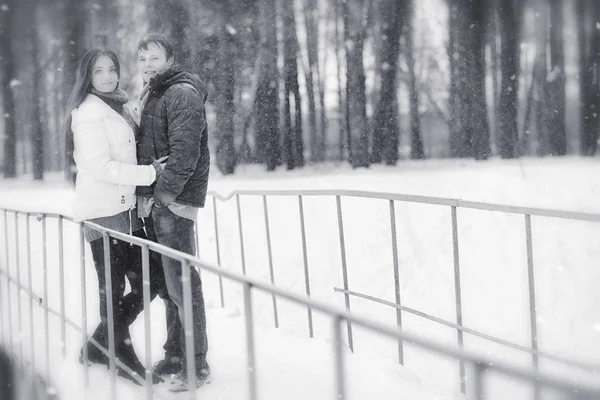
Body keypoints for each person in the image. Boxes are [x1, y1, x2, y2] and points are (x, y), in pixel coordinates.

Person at [65, 47, 166, 385]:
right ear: (87, 77)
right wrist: (149, 174)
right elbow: (101, 166)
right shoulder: (88, 114)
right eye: (99, 71)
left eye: (112, 69)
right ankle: (120, 354)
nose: (108, 76)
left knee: (151, 279)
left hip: (123, 208)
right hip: (101, 210)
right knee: (112, 286)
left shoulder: (119, 107)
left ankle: (99, 343)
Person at [133, 33, 210, 392]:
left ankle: (196, 364)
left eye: (154, 59)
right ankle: (176, 353)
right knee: (170, 287)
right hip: (161, 199)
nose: (147, 66)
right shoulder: (157, 92)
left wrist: (161, 195)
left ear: (170, 59)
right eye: (142, 59)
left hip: (175, 201)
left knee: (182, 284)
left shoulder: (181, 93)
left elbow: (184, 154)